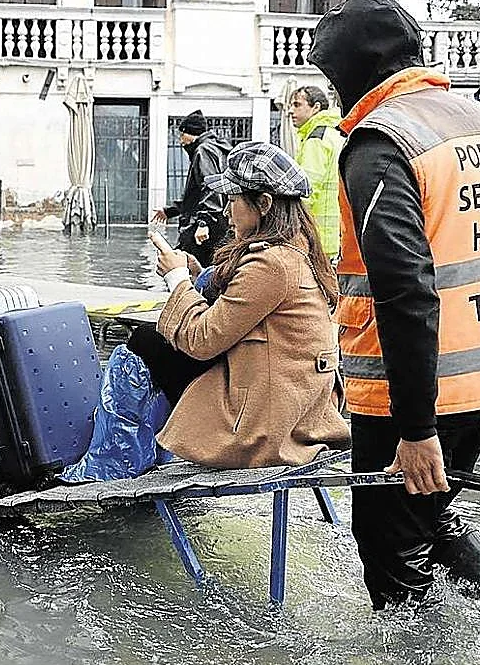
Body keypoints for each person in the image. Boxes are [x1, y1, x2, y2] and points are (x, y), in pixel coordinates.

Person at [307, 0, 480, 611]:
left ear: (350, 74)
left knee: (388, 545)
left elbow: (405, 291)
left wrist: (415, 428)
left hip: (420, 394)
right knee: (430, 514)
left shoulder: (381, 145)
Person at [146, 141, 350, 468]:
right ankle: (140, 458)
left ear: (264, 203)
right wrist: (196, 275)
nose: (226, 211)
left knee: (138, 353)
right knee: (152, 347)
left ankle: (110, 471)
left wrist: (177, 279)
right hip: (298, 408)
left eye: (232, 199)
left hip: (271, 425)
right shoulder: (297, 250)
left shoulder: (271, 265)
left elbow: (202, 340)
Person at [151, 110, 230, 268]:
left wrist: (203, 223)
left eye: (182, 135)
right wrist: (171, 211)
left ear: (191, 133)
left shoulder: (204, 151)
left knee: (183, 269)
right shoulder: (215, 148)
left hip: (202, 229)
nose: (180, 141)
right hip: (217, 225)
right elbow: (196, 197)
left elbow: (210, 187)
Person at [290, 85, 345, 259]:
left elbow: (306, 191)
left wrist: (292, 230)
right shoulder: (335, 133)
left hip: (318, 238)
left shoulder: (316, 139)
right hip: (336, 236)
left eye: (297, 105)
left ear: (316, 108)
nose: (291, 111)